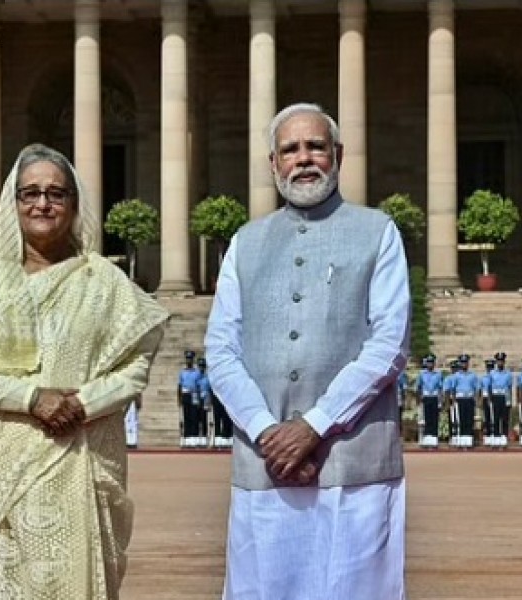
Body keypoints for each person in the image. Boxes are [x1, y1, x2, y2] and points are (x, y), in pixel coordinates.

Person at [0, 143, 168, 599]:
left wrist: (84, 403)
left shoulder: (102, 280)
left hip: (80, 451)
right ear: (14, 204)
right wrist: (30, 398)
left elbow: (136, 362)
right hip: (4, 467)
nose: (42, 203)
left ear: (74, 204)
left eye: (55, 193)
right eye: (30, 194)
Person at [205, 103, 408, 599]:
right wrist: (266, 430)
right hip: (263, 460)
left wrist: (314, 425)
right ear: (273, 164)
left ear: (337, 155)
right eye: (290, 149)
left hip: (353, 462)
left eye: (315, 146)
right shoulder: (245, 243)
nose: (304, 159)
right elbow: (220, 348)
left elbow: (390, 343)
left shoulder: (377, 231)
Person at [416, 354, 443, 449]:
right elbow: (418, 387)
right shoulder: (422, 374)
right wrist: (419, 399)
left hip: (434, 397)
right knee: (426, 418)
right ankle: (427, 438)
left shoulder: (438, 374)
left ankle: (434, 438)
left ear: (434, 363)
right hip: (426, 397)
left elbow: (440, 388)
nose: (430, 364)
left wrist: (440, 401)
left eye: (432, 362)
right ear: (426, 363)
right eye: (428, 362)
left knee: (434, 418)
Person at [178, 350, 201, 448]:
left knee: (194, 416)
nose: (189, 361)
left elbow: (199, 386)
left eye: (190, 359)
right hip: (185, 394)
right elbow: (179, 386)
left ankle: (194, 437)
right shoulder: (182, 372)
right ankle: (187, 438)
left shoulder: (197, 372)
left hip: (194, 394)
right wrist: (179, 399)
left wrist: (199, 399)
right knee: (186, 416)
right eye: (187, 359)